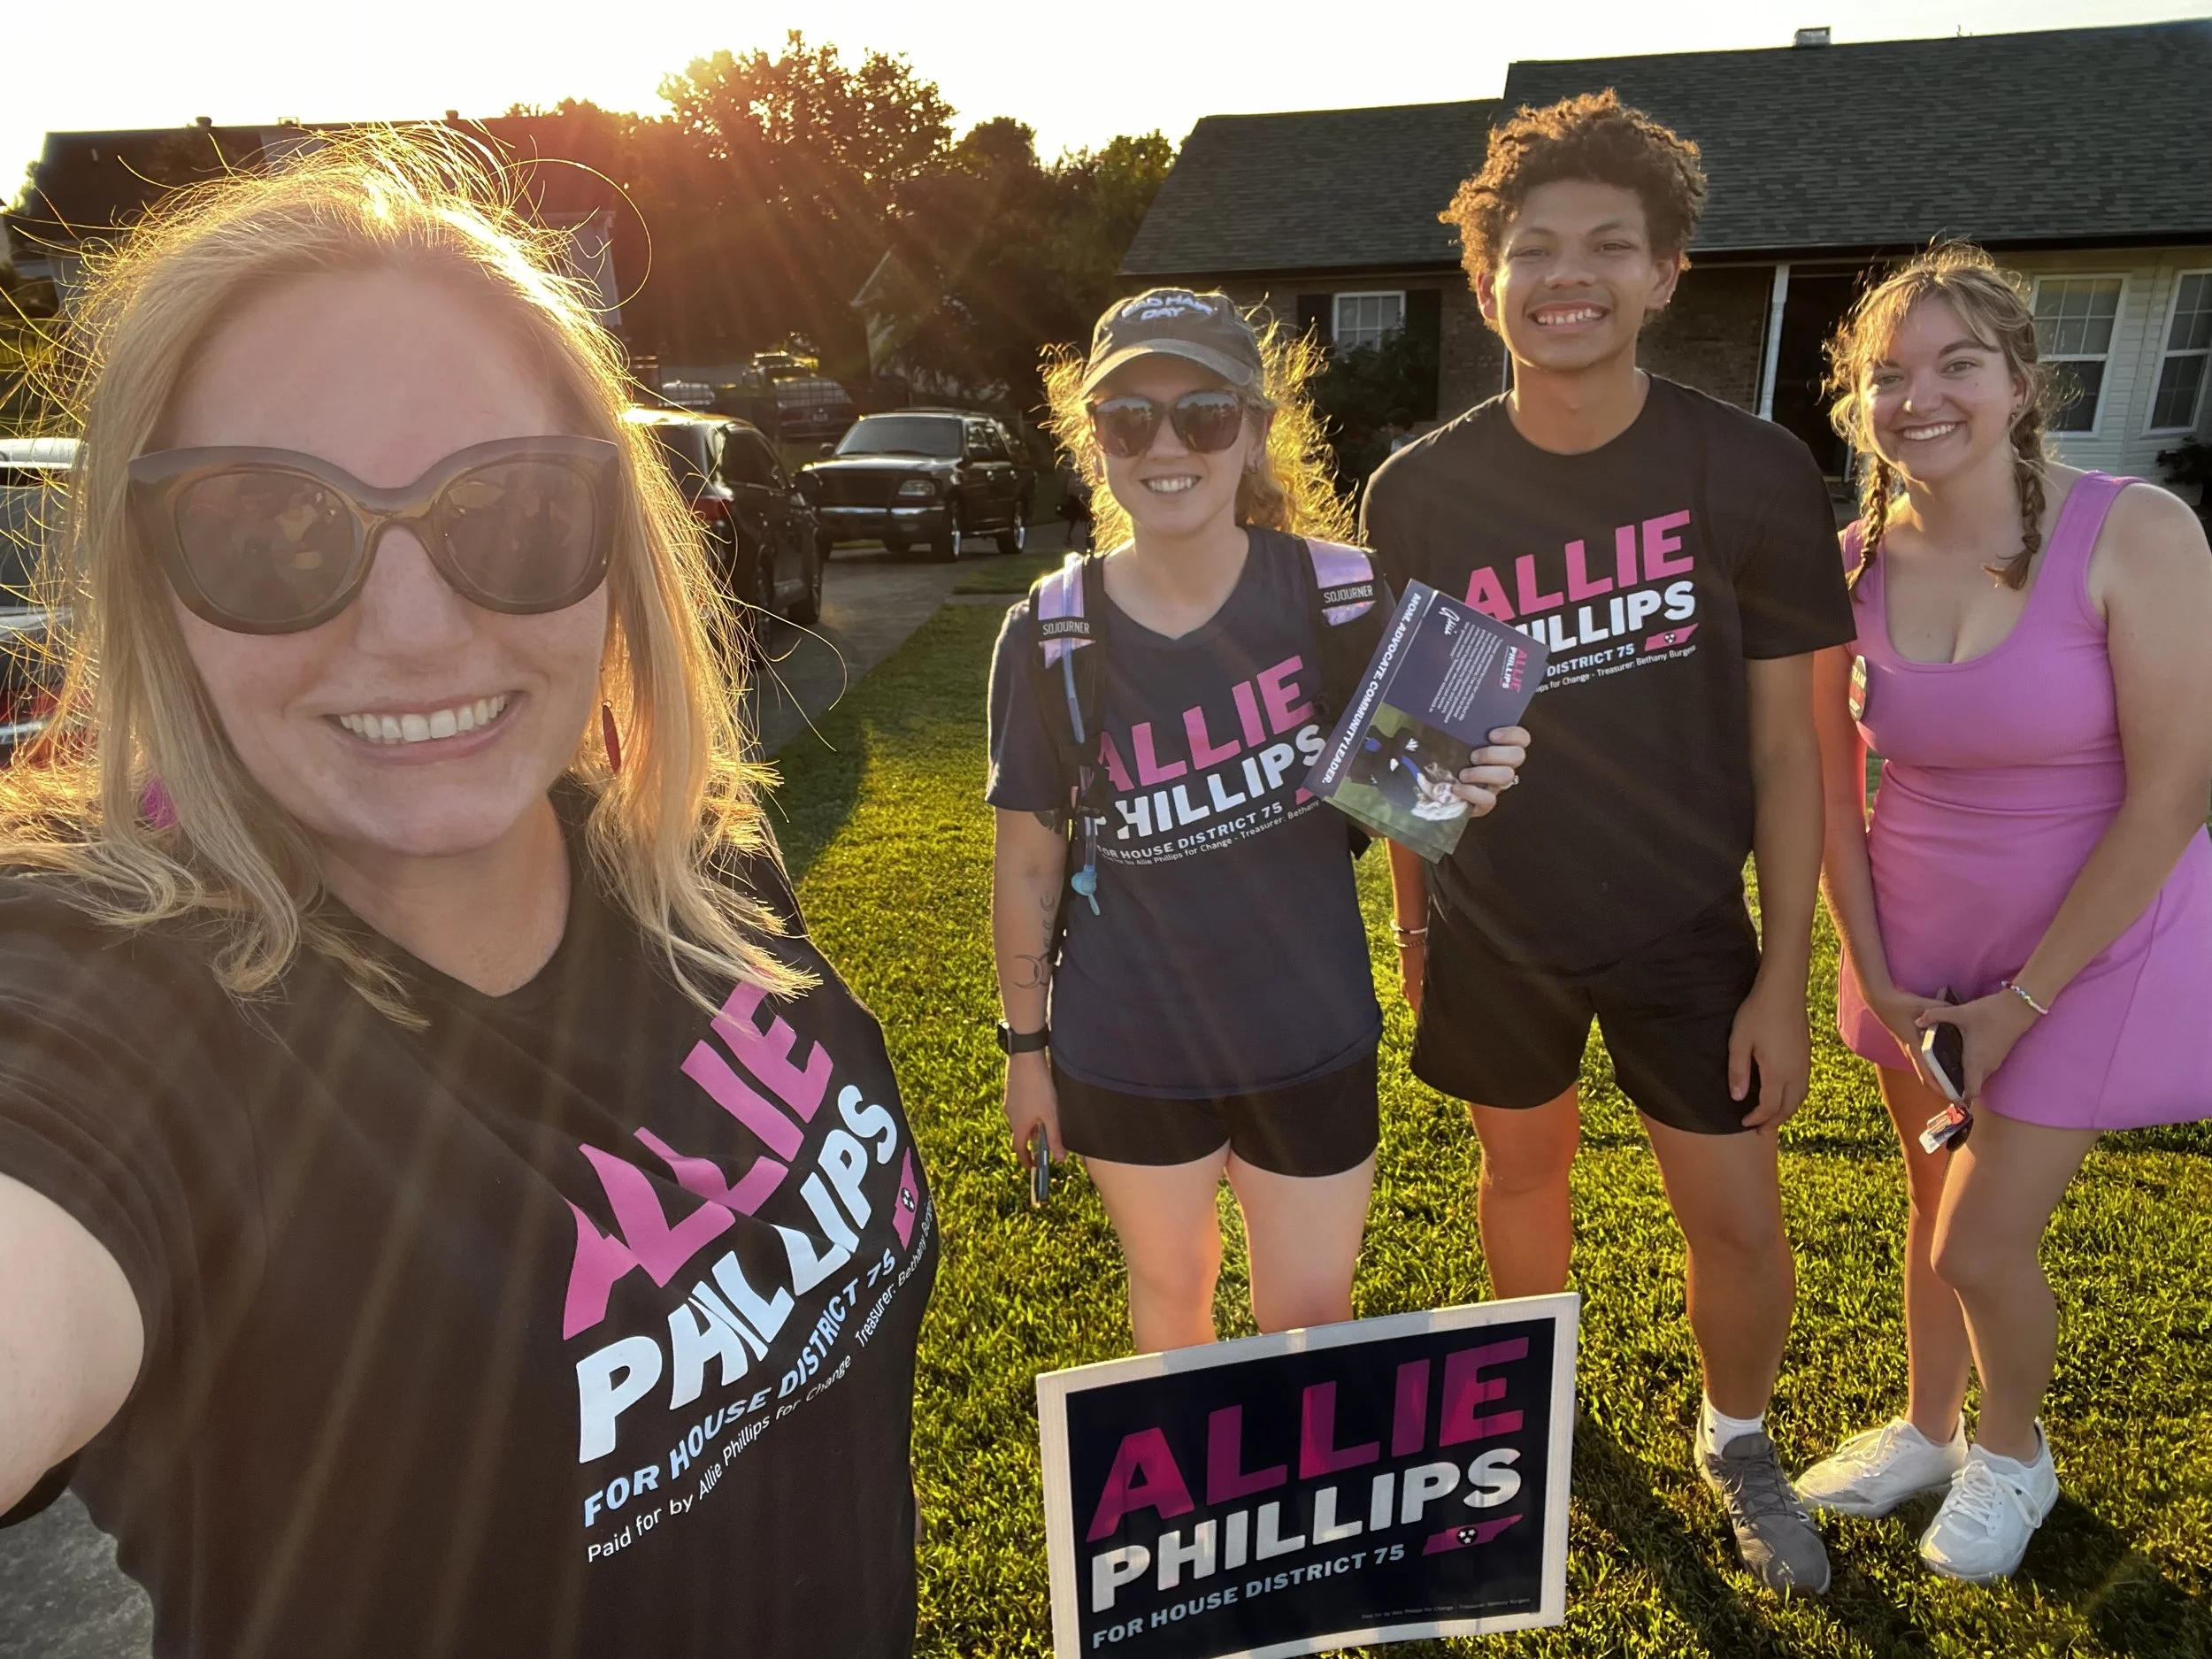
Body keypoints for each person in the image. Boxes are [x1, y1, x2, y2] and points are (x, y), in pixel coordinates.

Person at [0, 133, 936, 1658]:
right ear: (152, 573)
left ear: (614, 536)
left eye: (508, 510)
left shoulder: (689, 860)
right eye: (272, 529)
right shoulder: (133, 1006)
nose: (418, 630)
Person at [1360, 93, 1854, 1595]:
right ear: (1488, 274)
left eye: (1606, 247)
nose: (1564, 276)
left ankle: (1741, 1438)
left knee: (1736, 1213)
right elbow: (1407, 760)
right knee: (1522, 1179)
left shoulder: (1752, 471)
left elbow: (1791, 750)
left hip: (1688, 923)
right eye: (1533, 248)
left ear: (1664, 272)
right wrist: (1420, 929)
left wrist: (1784, 976)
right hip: (1499, 925)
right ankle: (1532, 1407)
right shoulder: (1422, 492)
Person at [985, 289, 1527, 1353]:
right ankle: (1186, 1525)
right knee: (1172, 1296)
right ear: (1093, 442)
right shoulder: (1049, 630)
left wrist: (1471, 775)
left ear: (1255, 428)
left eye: (1202, 412)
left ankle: (1292, 1517)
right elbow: (1028, 864)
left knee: (1312, 1316)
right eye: (1129, 419)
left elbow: (1408, 792)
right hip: (1126, 1042)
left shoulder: (1341, 594)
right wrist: (1025, 1049)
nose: (1167, 444)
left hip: (1307, 1032)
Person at [1795, 244, 2212, 1581]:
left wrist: (2018, 1003)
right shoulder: (1846, 561)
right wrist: (1876, 965)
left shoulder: (2137, 531)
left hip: (2093, 946)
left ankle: (2014, 1452)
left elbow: (2173, 796)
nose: (1920, 396)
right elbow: (1828, 785)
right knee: (1931, 1204)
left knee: (1983, 1233)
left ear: (2024, 381)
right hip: (1916, 940)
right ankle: (1927, 1424)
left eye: (1958, 364)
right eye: (1887, 374)